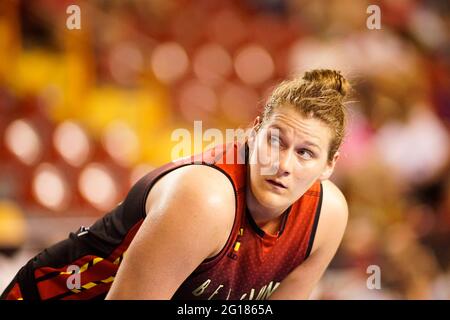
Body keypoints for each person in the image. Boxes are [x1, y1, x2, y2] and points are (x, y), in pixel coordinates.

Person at [1, 69, 349, 300]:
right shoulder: (205, 199)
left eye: (305, 153)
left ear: (328, 166)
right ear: (253, 133)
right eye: (275, 141)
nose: (283, 164)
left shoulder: (326, 218)